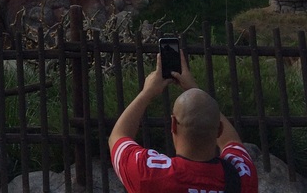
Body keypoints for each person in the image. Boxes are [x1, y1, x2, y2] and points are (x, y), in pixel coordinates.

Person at [109, 50, 258, 192]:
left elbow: (117, 136)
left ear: (173, 125)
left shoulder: (150, 174)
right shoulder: (243, 174)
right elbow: (231, 141)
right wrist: (195, 89)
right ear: (219, 129)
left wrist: (147, 92)